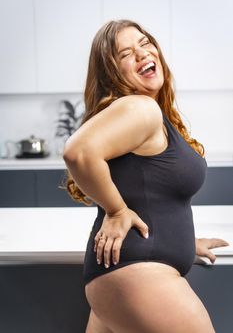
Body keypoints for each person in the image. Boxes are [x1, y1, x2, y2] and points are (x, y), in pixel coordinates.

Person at [63, 20, 229, 333]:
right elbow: (78, 153)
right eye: (126, 53)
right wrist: (117, 210)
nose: (142, 53)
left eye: (144, 42)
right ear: (112, 72)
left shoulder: (147, 113)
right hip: (139, 280)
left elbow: (147, 191)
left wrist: (181, 242)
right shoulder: (140, 109)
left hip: (123, 279)